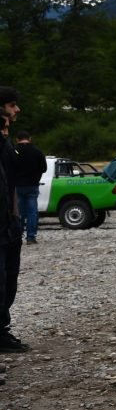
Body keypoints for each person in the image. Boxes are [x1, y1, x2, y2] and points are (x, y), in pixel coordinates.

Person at [0, 90, 26, 354]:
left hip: (10, 222)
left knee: (9, 279)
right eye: (12, 105)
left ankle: (2, 330)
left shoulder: (7, 144)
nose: (16, 110)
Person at [13, 131, 47, 244]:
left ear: (17, 139)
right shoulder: (37, 151)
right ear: (30, 139)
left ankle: (17, 236)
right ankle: (31, 237)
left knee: (19, 212)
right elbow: (44, 168)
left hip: (18, 185)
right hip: (32, 185)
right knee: (32, 211)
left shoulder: (13, 150)